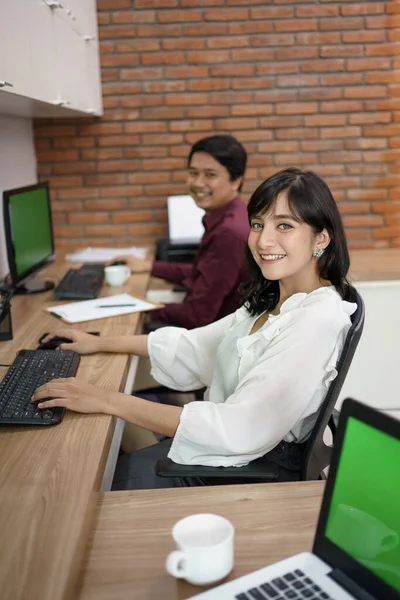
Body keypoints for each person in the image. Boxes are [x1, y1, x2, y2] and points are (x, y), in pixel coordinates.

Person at [33, 168, 358, 490]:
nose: (263, 240)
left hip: (247, 465)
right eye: (258, 224)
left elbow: (238, 427)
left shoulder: (316, 320)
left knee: (88, 476)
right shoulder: (275, 296)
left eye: (284, 225)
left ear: (321, 238)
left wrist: (107, 400)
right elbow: (196, 345)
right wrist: (98, 343)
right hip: (227, 444)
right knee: (101, 439)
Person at [111, 134, 249, 330]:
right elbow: (201, 272)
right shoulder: (233, 216)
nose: (198, 183)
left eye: (210, 175)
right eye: (193, 173)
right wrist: (148, 266)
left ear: (236, 181)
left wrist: (141, 310)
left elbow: (197, 315)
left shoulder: (229, 233)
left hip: (212, 339)